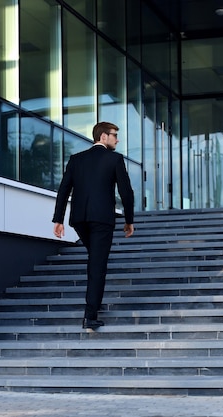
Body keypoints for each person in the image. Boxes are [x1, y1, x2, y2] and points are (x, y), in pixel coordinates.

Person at [52, 121, 135, 330]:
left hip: (79, 220)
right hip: (101, 220)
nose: (117, 139)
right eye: (114, 135)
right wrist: (129, 220)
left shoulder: (76, 159)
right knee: (97, 265)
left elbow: (63, 190)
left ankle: (94, 302)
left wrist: (58, 219)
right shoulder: (115, 159)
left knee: (95, 259)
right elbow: (126, 192)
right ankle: (90, 316)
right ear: (103, 137)